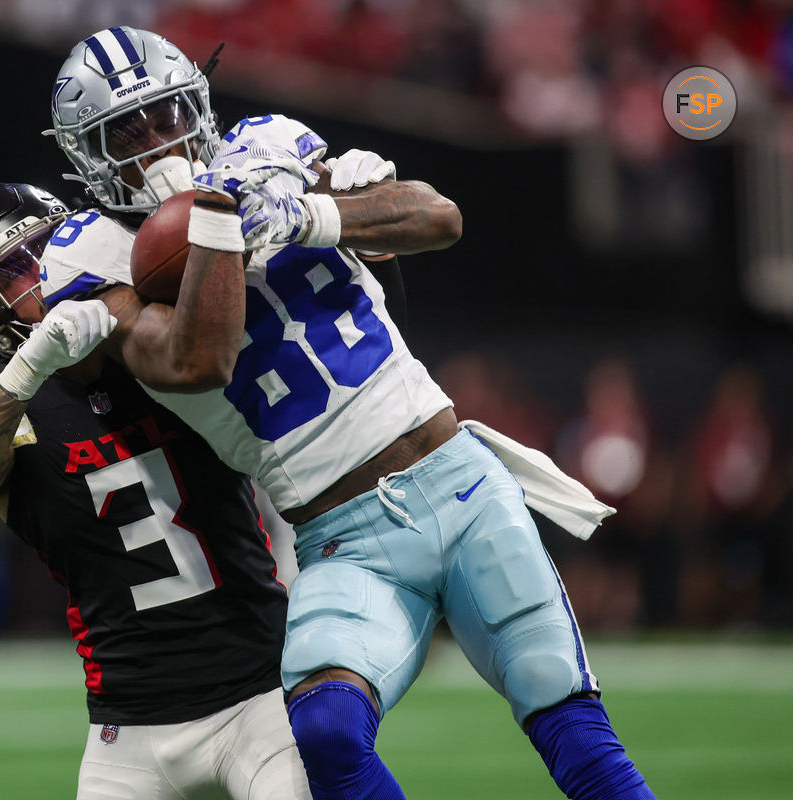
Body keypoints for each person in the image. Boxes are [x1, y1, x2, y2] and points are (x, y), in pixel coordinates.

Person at [42, 26, 658, 800]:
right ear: (86, 156)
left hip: (458, 484)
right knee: (327, 732)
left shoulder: (267, 142)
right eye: (125, 134)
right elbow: (195, 362)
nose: (158, 143)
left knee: (573, 727)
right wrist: (217, 225)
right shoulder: (90, 253)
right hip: (343, 538)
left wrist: (314, 214)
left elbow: (440, 218)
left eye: (168, 116)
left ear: (197, 103)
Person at [0, 181, 311, 799]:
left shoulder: (155, 345)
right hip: (126, 727)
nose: (43, 275)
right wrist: (31, 367)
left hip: (261, 694)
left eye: (49, 249)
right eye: (16, 272)